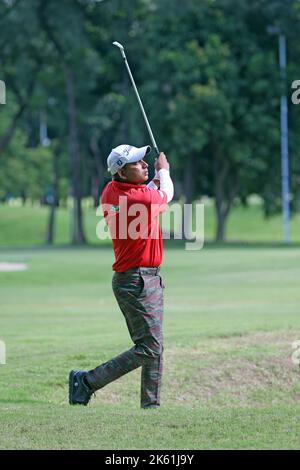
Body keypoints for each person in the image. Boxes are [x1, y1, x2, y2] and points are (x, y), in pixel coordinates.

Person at [69, 144, 174, 409]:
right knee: (150, 346)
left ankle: (151, 406)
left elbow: (150, 189)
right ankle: (87, 381)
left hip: (142, 278)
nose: (145, 164)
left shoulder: (112, 190)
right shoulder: (138, 199)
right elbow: (166, 194)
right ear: (123, 173)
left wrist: (155, 177)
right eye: (138, 163)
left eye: (144, 161)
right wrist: (165, 171)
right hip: (136, 280)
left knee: (154, 344)